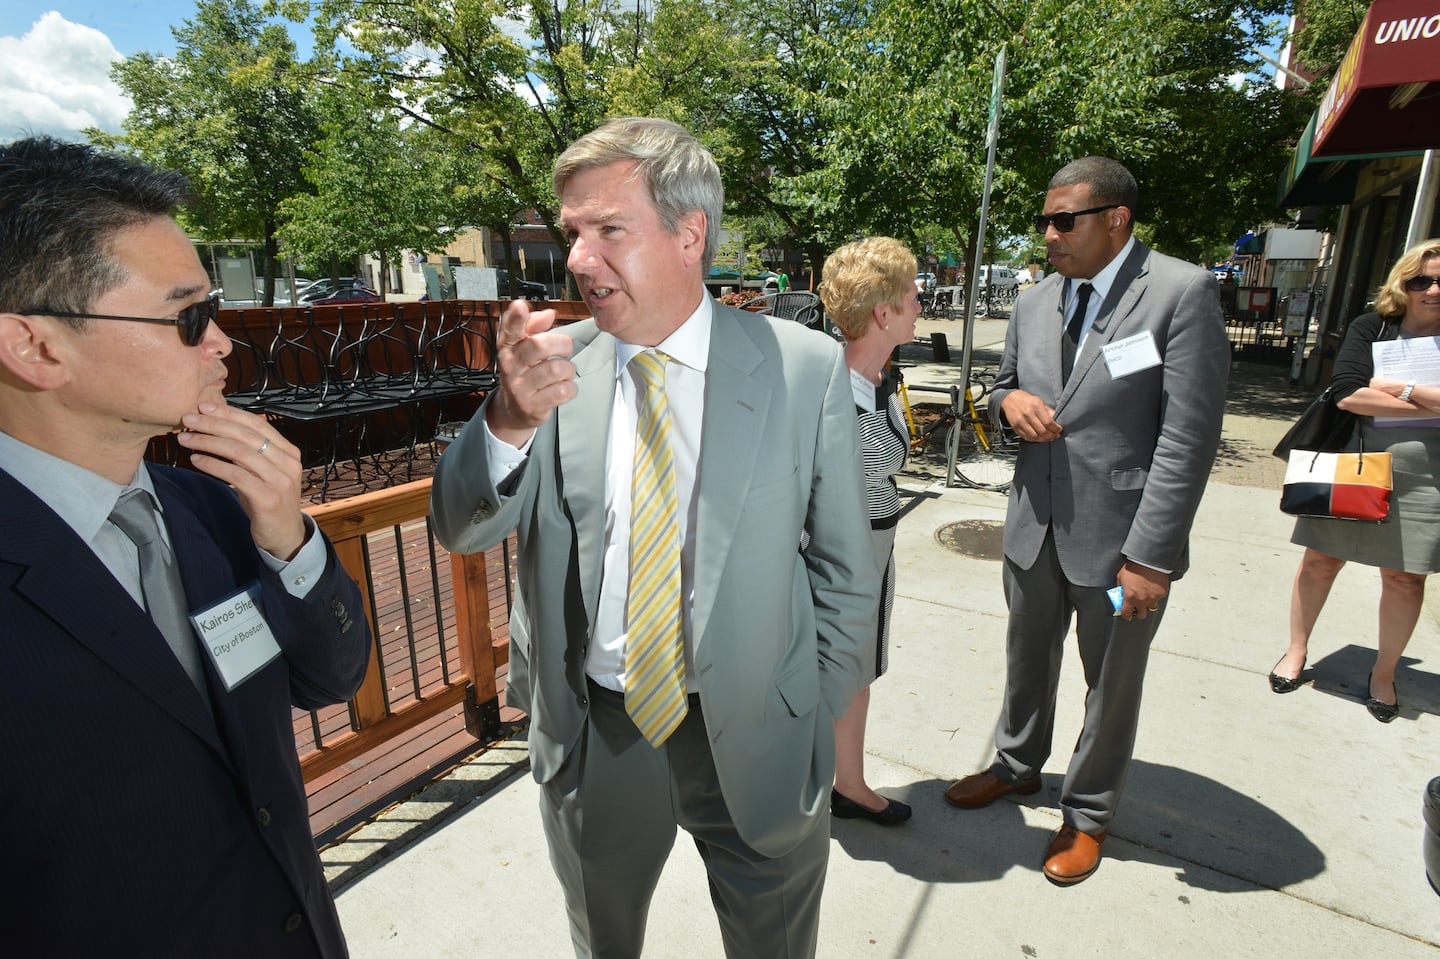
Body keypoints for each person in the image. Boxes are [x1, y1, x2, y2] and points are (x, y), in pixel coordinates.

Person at [430, 117, 876, 957]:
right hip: (599, 732)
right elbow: (462, 527)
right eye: (571, 233)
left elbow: (847, 572)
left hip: (757, 731)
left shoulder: (805, 367)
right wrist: (509, 415)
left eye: (608, 230)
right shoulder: (550, 366)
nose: (576, 259)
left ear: (689, 234)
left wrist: (811, 713)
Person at [0, 137, 371, 956]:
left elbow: (333, 677)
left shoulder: (211, 506)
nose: (222, 342)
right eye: (188, 315)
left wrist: (288, 536)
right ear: (35, 347)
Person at [942, 156, 1229, 886]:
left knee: (1112, 681)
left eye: (1062, 220)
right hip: (1033, 525)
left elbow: (1187, 436)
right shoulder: (1038, 301)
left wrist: (1152, 556)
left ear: (1116, 220)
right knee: (1025, 659)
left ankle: (1089, 812)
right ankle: (1015, 766)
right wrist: (1008, 406)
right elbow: (1003, 385)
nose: (1047, 234)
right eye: (1044, 219)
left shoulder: (1180, 292)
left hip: (1120, 545)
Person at [1269, 239, 1440, 723]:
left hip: (1428, 473)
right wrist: (1430, 400)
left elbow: (1372, 393)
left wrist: (1400, 388)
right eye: (1420, 280)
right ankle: (1297, 651)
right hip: (1358, 460)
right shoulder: (1372, 327)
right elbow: (1347, 394)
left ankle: (1383, 674)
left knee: (1406, 578)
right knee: (1321, 561)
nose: (1432, 289)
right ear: (1402, 284)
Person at [817, 236, 918, 826]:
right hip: (850, 551)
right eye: (911, 295)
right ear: (884, 312)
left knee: (854, 670)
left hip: (869, 541)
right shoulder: (840, 391)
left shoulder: (873, 378)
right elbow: (877, 459)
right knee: (845, 669)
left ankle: (846, 782)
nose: (920, 302)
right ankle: (841, 785)